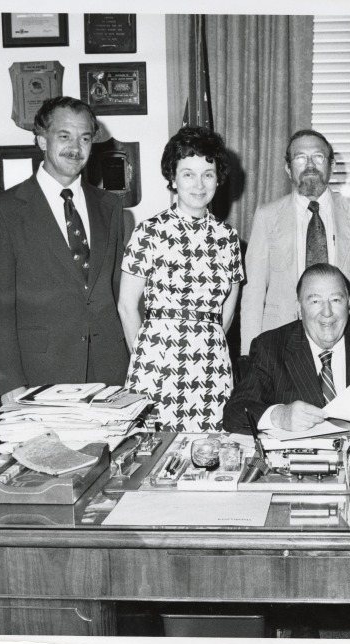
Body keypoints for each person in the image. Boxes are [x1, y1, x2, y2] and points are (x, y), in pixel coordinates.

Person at [0, 96, 128, 403]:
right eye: (64, 136)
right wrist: (9, 384)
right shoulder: (3, 210)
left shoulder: (111, 207)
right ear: (41, 140)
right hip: (41, 374)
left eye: (85, 138)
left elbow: (119, 292)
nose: (76, 147)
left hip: (111, 373)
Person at [118, 126, 244, 431]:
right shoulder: (149, 231)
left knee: (208, 455)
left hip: (210, 364)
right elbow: (126, 305)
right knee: (152, 457)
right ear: (173, 179)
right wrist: (148, 355)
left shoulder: (228, 238)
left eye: (208, 174)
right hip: (156, 362)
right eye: (188, 174)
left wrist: (205, 343)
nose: (199, 184)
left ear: (218, 179)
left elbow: (227, 312)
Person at [239, 129, 350, 356]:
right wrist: (249, 354)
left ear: (332, 166)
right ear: (288, 168)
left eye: (318, 157)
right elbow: (253, 292)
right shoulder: (266, 216)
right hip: (281, 341)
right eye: (300, 158)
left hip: (342, 337)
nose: (310, 165)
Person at [224, 263, 350, 434]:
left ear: (348, 304)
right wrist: (279, 416)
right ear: (299, 308)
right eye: (315, 301)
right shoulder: (270, 347)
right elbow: (234, 412)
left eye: (335, 299)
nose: (327, 312)